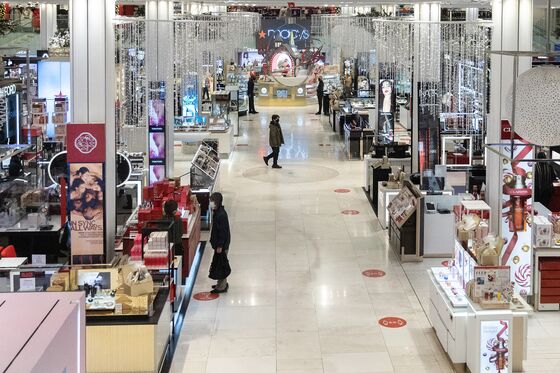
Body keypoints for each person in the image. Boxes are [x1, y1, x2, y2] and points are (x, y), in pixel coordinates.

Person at [209, 192, 231, 294]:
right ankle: (220, 283)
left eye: (212, 201)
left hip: (222, 244)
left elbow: (222, 232)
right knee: (219, 262)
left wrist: (220, 245)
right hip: (220, 243)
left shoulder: (221, 215)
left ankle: (222, 286)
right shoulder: (218, 212)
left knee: (222, 264)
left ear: (216, 202)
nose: (210, 203)